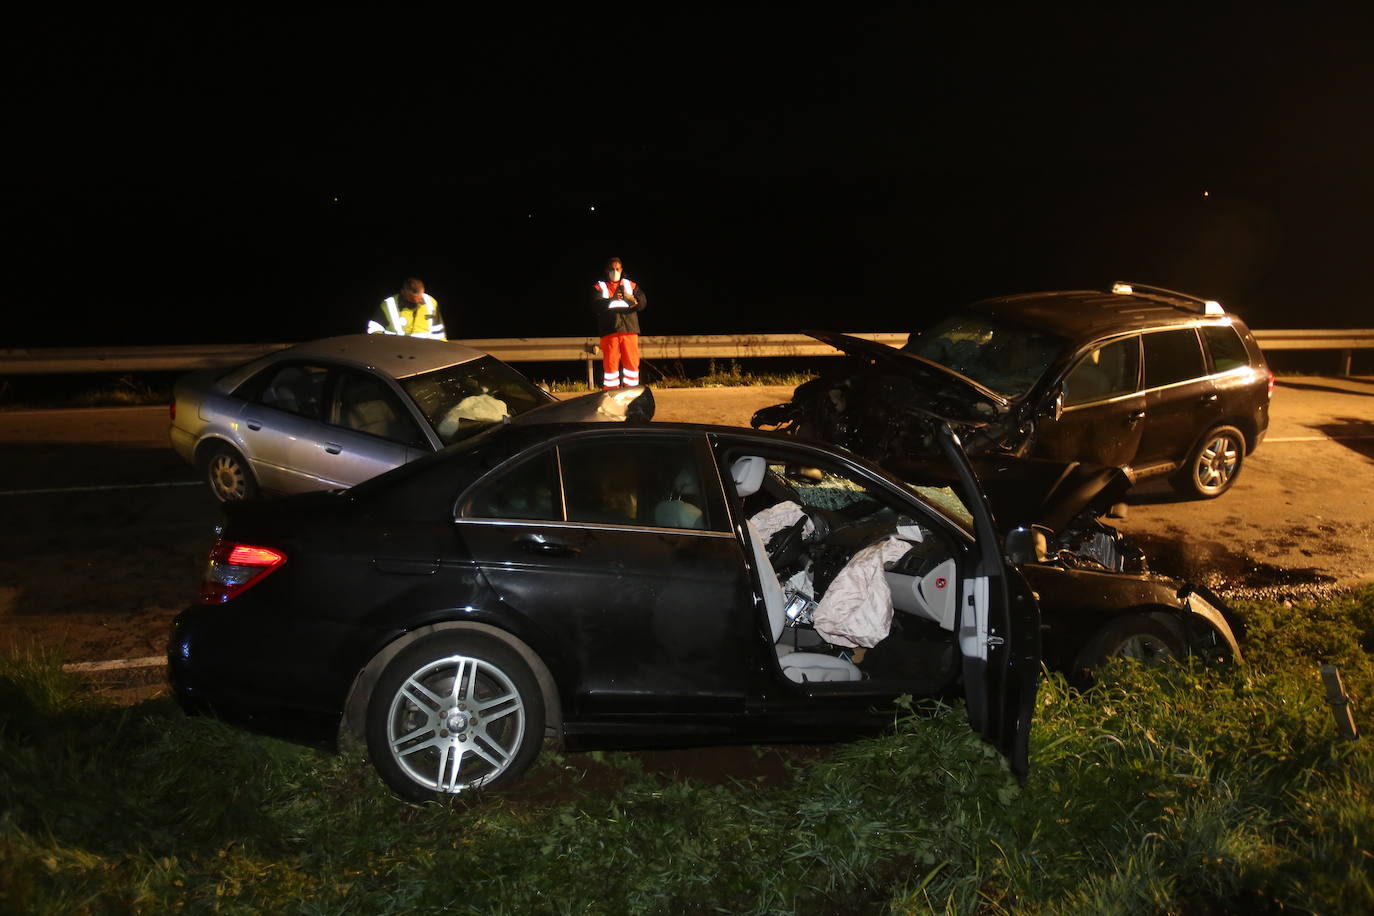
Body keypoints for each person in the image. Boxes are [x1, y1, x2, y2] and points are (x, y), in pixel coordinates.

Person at [591, 257, 646, 388]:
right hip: (610, 330)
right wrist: (611, 299)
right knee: (610, 366)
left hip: (629, 330)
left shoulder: (630, 285)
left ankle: (631, 392)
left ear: (621, 270)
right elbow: (595, 305)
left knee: (632, 364)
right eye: (611, 269)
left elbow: (643, 302)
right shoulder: (600, 286)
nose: (614, 272)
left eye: (617, 269)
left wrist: (634, 301)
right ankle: (611, 393)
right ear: (606, 270)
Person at [367, 278, 447, 339]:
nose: (416, 302)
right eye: (412, 299)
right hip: (395, 353)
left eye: (419, 298)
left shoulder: (431, 303)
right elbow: (374, 329)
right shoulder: (388, 304)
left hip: (425, 353)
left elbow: (439, 332)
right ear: (403, 292)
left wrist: (442, 352)